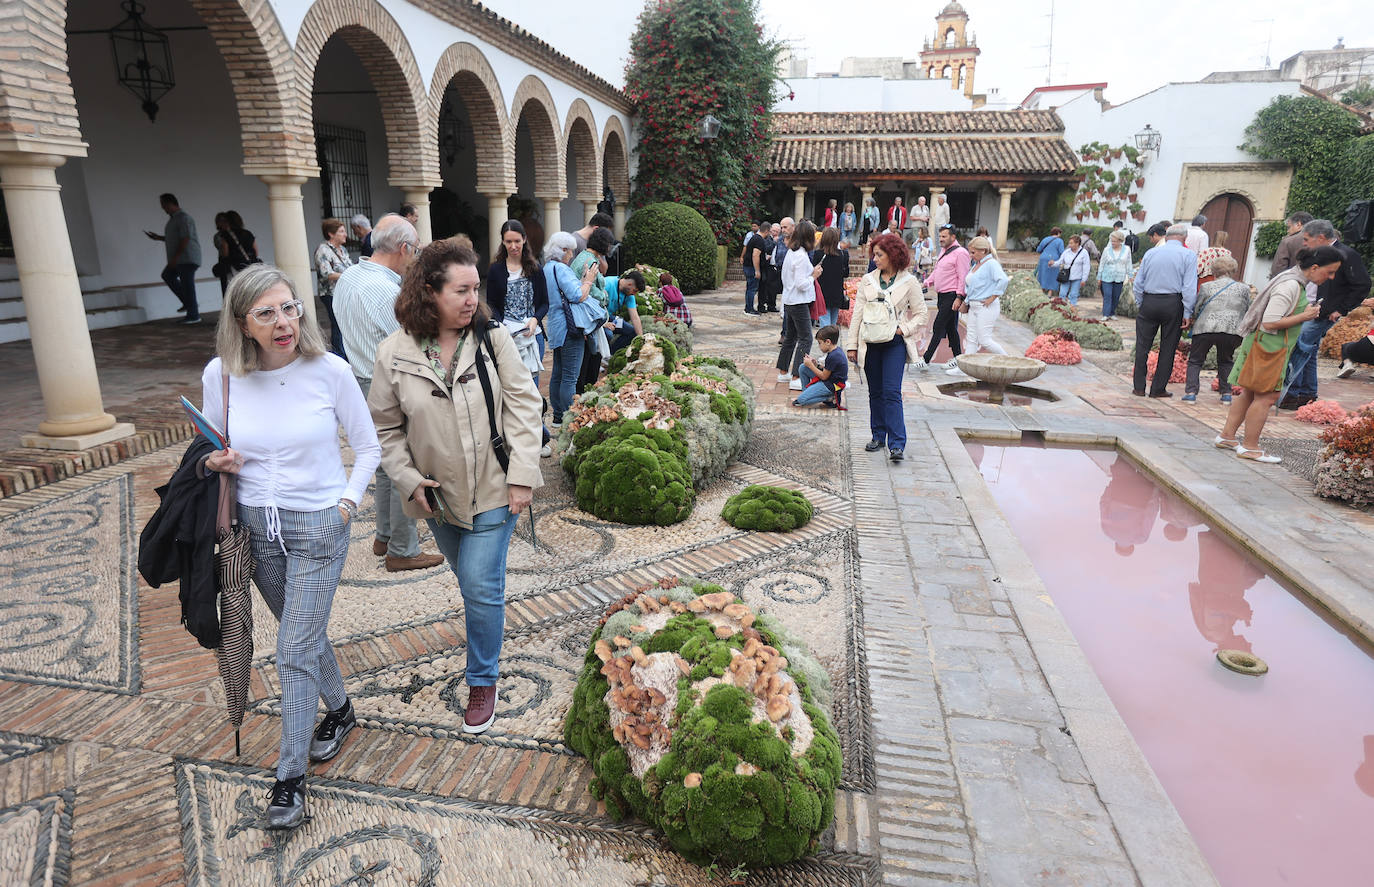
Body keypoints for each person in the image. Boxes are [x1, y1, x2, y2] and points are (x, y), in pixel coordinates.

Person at [200, 265, 381, 829]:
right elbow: (208, 445)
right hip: (255, 527)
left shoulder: (329, 371)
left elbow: (369, 447)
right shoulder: (222, 375)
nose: (283, 322)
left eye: (289, 308)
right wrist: (216, 460)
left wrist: (345, 507)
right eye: (266, 313)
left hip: (320, 526)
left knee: (292, 649)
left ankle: (289, 780)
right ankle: (343, 710)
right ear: (241, 323)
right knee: (301, 634)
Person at [368, 238, 543, 735]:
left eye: (475, 290)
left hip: (494, 487)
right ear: (429, 291)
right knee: (469, 580)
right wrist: (406, 479)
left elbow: (526, 408)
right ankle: (483, 649)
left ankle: (481, 680)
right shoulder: (394, 352)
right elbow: (384, 428)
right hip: (437, 497)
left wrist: (522, 477)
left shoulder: (494, 340)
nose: (472, 300)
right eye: (460, 290)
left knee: (480, 585)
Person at [333, 214, 446, 573]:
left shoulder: (349, 277)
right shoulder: (385, 290)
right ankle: (402, 548)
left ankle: (384, 534)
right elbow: (411, 340)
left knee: (383, 464)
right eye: (413, 250)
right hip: (387, 382)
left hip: (361, 379)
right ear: (402, 248)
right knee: (403, 465)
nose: (414, 257)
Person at [1217, 247, 1338, 462]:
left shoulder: (1290, 280)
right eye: (1329, 272)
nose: (1331, 277)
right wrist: (1305, 316)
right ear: (1315, 267)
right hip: (1270, 348)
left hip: (1263, 345)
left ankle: (1228, 437)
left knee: (1250, 393)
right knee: (1266, 396)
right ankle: (1250, 447)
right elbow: (1270, 322)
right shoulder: (1291, 285)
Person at [846, 233, 928, 462]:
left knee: (892, 392)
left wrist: (903, 330)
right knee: (875, 392)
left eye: (879, 255)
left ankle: (897, 444)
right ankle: (878, 436)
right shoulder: (868, 280)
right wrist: (852, 346)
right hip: (870, 343)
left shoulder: (909, 281)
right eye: (874, 254)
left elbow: (922, 314)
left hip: (894, 344)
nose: (875, 259)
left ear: (893, 255)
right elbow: (857, 316)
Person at [1278, 218, 1372, 409]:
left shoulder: (1346, 254)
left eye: (1306, 239)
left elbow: (1362, 285)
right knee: (1309, 350)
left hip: (1323, 312)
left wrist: (1341, 309)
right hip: (1311, 309)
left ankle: (1292, 394)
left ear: (1320, 237)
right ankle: (1307, 393)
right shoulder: (1319, 253)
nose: (1304, 243)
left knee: (1299, 346)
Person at [487, 220, 551, 454]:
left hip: (533, 337)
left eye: (517, 241)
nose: (513, 246)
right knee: (509, 388)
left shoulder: (535, 268)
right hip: (507, 338)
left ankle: (539, 438)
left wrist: (535, 319)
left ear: (524, 239)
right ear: (503, 243)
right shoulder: (496, 270)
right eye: (508, 242)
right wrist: (499, 324)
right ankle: (517, 437)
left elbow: (545, 303)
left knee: (531, 390)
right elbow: (492, 303)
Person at [542, 231, 604, 427]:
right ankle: (570, 418)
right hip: (571, 327)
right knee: (570, 376)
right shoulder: (561, 269)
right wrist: (588, 280)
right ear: (563, 250)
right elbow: (578, 295)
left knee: (558, 373)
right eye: (570, 252)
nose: (571, 256)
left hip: (556, 326)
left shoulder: (547, 268)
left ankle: (558, 418)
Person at [1131, 223, 1198, 398]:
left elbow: (1138, 283)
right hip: (1173, 302)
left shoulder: (1151, 253)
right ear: (1184, 238)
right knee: (1168, 347)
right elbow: (1189, 287)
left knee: (1142, 346)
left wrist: (1142, 303)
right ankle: (1158, 388)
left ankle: (1138, 387)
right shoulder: (1188, 255)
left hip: (1150, 300)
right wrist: (1187, 312)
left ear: (1166, 237)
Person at [1183, 255, 1250, 404]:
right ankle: (1226, 393)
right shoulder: (1244, 288)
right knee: (1226, 361)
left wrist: (1191, 318)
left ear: (1214, 271)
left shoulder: (1206, 287)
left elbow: (1198, 306)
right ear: (1233, 270)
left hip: (1205, 328)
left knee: (1195, 360)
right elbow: (1247, 309)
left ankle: (1191, 392)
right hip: (1231, 329)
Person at [952, 235, 1009, 372]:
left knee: (984, 340)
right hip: (974, 306)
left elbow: (1003, 280)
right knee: (971, 338)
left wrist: (993, 297)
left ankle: (1008, 361)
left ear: (983, 250)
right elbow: (971, 285)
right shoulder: (977, 265)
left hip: (986, 306)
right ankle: (965, 368)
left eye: (973, 252)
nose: (970, 255)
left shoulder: (991, 264)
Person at [144, 192, 202, 323]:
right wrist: (158, 238)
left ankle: (194, 315)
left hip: (187, 258)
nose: (163, 208)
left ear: (170, 203)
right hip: (180, 258)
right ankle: (189, 305)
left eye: (163, 205)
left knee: (187, 285)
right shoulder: (174, 219)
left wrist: (176, 257)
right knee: (168, 275)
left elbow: (185, 238)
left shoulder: (183, 218)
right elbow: (176, 239)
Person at [777, 219, 821, 390]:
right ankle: (796, 376)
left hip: (790, 300)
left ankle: (783, 372)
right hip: (798, 301)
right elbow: (802, 283)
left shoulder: (792, 252)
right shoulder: (801, 256)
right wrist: (814, 276)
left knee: (790, 337)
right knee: (806, 338)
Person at [923, 224, 970, 369]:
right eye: (940, 236)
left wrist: (959, 297)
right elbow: (937, 271)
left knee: (938, 326)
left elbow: (963, 277)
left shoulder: (961, 253)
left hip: (952, 295)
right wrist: (927, 282)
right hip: (942, 296)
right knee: (951, 329)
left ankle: (925, 360)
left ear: (953, 237)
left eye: (944, 236)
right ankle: (958, 358)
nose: (941, 239)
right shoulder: (944, 251)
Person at [314, 218, 352, 358]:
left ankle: (346, 353)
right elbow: (326, 274)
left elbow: (349, 267)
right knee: (337, 325)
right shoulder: (323, 250)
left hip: (343, 292)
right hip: (330, 294)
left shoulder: (342, 250)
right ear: (331, 234)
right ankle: (339, 356)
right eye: (341, 231)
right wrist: (347, 276)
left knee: (345, 325)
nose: (345, 234)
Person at [794, 325, 848, 407]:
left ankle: (830, 398)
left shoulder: (834, 356)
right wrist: (815, 364)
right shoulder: (835, 351)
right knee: (803, 367)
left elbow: (824, 377)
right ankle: (807, 393)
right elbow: (828, 369)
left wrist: (811, 366)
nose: (819, 346)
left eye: (820, 343)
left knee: (801, 400)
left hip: (832, 385)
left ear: (828, 342)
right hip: (829, 379)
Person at [811, 226, 848, 328]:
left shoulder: (818, 254)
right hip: (837, 292)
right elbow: (846, 273)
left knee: (824, 320)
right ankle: (832, 341)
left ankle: (827, 341)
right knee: (833, 321)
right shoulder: (842, 254)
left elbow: (813, 271)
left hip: (822, 291)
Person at [1098, 229, 1133, 318]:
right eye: (1111, 241)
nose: (1112, 243)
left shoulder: (1127, 249)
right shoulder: (1106, 250)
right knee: (1107, 294)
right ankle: (1106, 314)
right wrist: (1099, 277)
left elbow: (1128, 262)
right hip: (1107, 276)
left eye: (1115, 241)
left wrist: (1130, 275)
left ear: (1120, 241)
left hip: (1119, 276)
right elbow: (1102, 263)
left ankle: (1112, 313)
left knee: (1116, 296)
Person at [1051, 234, 1091, 305]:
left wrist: (1084, 279)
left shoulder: (1084, 253)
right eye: (1069, 243)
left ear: (1077, 243)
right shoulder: (1066, 252)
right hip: (1066, 276)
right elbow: (1060, 261)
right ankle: (1061, 308)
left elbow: (1086, 266)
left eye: (1071, 243)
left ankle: (1072, 309)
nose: (1069, 245)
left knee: (1073, 295)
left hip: (1077, 277)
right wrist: (1053, 264)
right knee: (1062, 294)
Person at [1269, 212, 1313, 276]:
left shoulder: (1288, 241)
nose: (1288, 231)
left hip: (1290, 281)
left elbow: (1278, 269)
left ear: (1298, 224)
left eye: (1289, 227)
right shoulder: (1319, 239)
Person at [741, 221, 768, 316]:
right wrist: (757, 270)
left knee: (749, 288)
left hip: (748, 266)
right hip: (752, 267)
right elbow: (755, 255)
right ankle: (750, 309)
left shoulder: (754, 237)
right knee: (752, 288)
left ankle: (747, 307)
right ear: (767, 231)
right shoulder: (759, 240)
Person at [1035, 227, 1065, 295]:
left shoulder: (1045, 239)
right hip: (1053, 259)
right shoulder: (1059, 241)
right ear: (1058, 233)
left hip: (1043, 258)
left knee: (1042, 274)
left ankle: (1042, 290)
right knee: (1053, 276)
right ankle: (1050, 292)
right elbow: (1062, 252)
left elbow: (1038, 249)